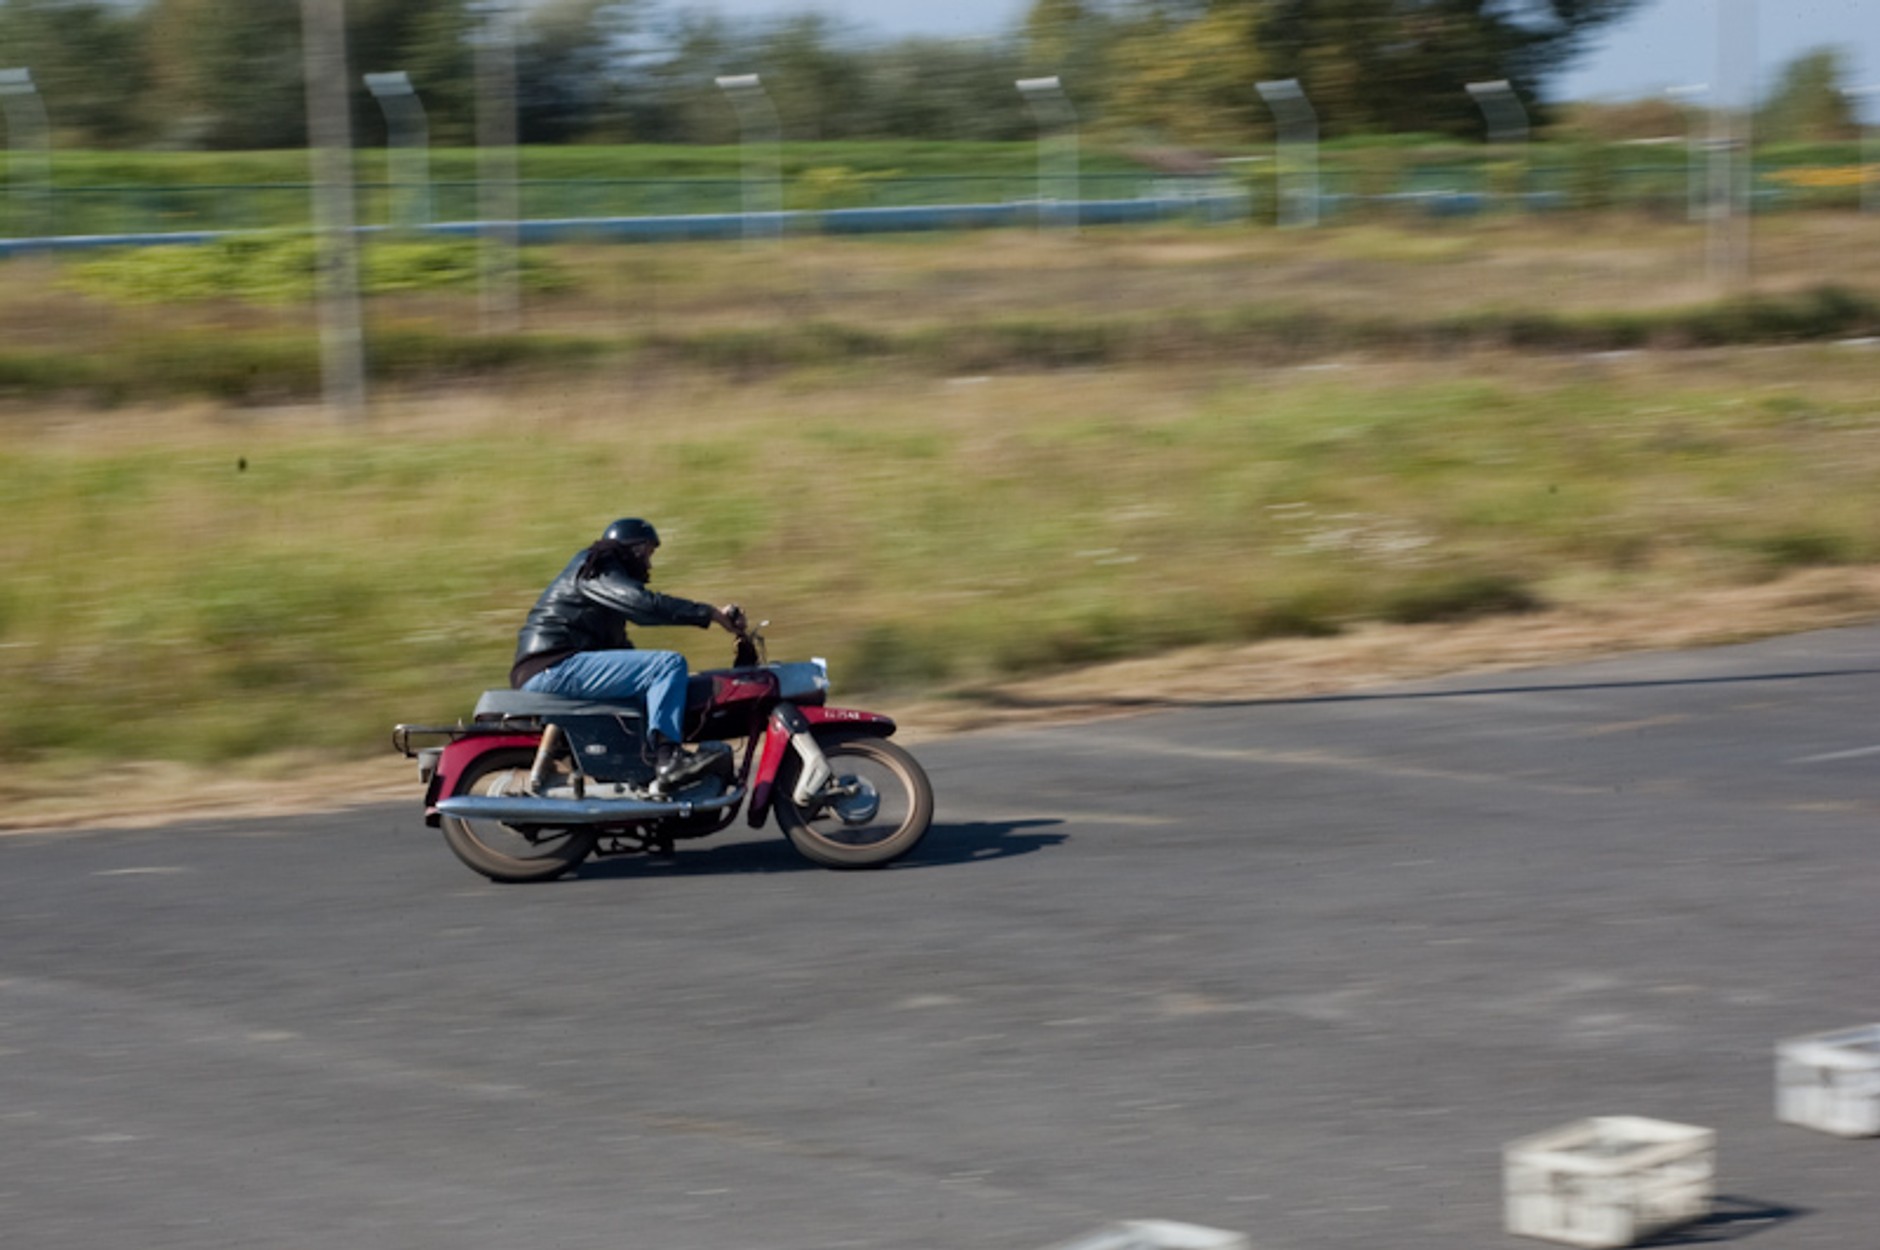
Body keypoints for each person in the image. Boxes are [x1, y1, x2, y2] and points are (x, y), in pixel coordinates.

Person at [509, 517, 744, 789]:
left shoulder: (605, 579)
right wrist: (709, 613)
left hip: (558, 665)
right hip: (552, 665)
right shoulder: (598, 565)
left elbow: (620, 652)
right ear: (636, 547)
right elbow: (643, 606)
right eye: (649, 553)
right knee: (668, 664)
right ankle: (668, 758)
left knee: (662, 676)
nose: (649, 564)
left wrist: (671, 687)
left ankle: (639, 774)